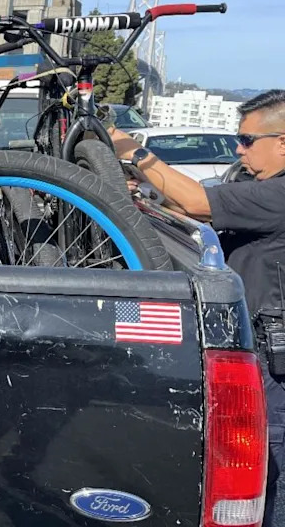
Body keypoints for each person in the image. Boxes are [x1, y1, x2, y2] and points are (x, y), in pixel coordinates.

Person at [108, 89, 285, 527]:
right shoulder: (257, 186)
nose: (239, 150)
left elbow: (199, 203)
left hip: (275, 366)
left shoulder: (280, 195)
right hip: (260, 350)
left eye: (247, 140)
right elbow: (201, 215)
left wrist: (134, 150)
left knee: (271, 478)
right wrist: (144, 194)